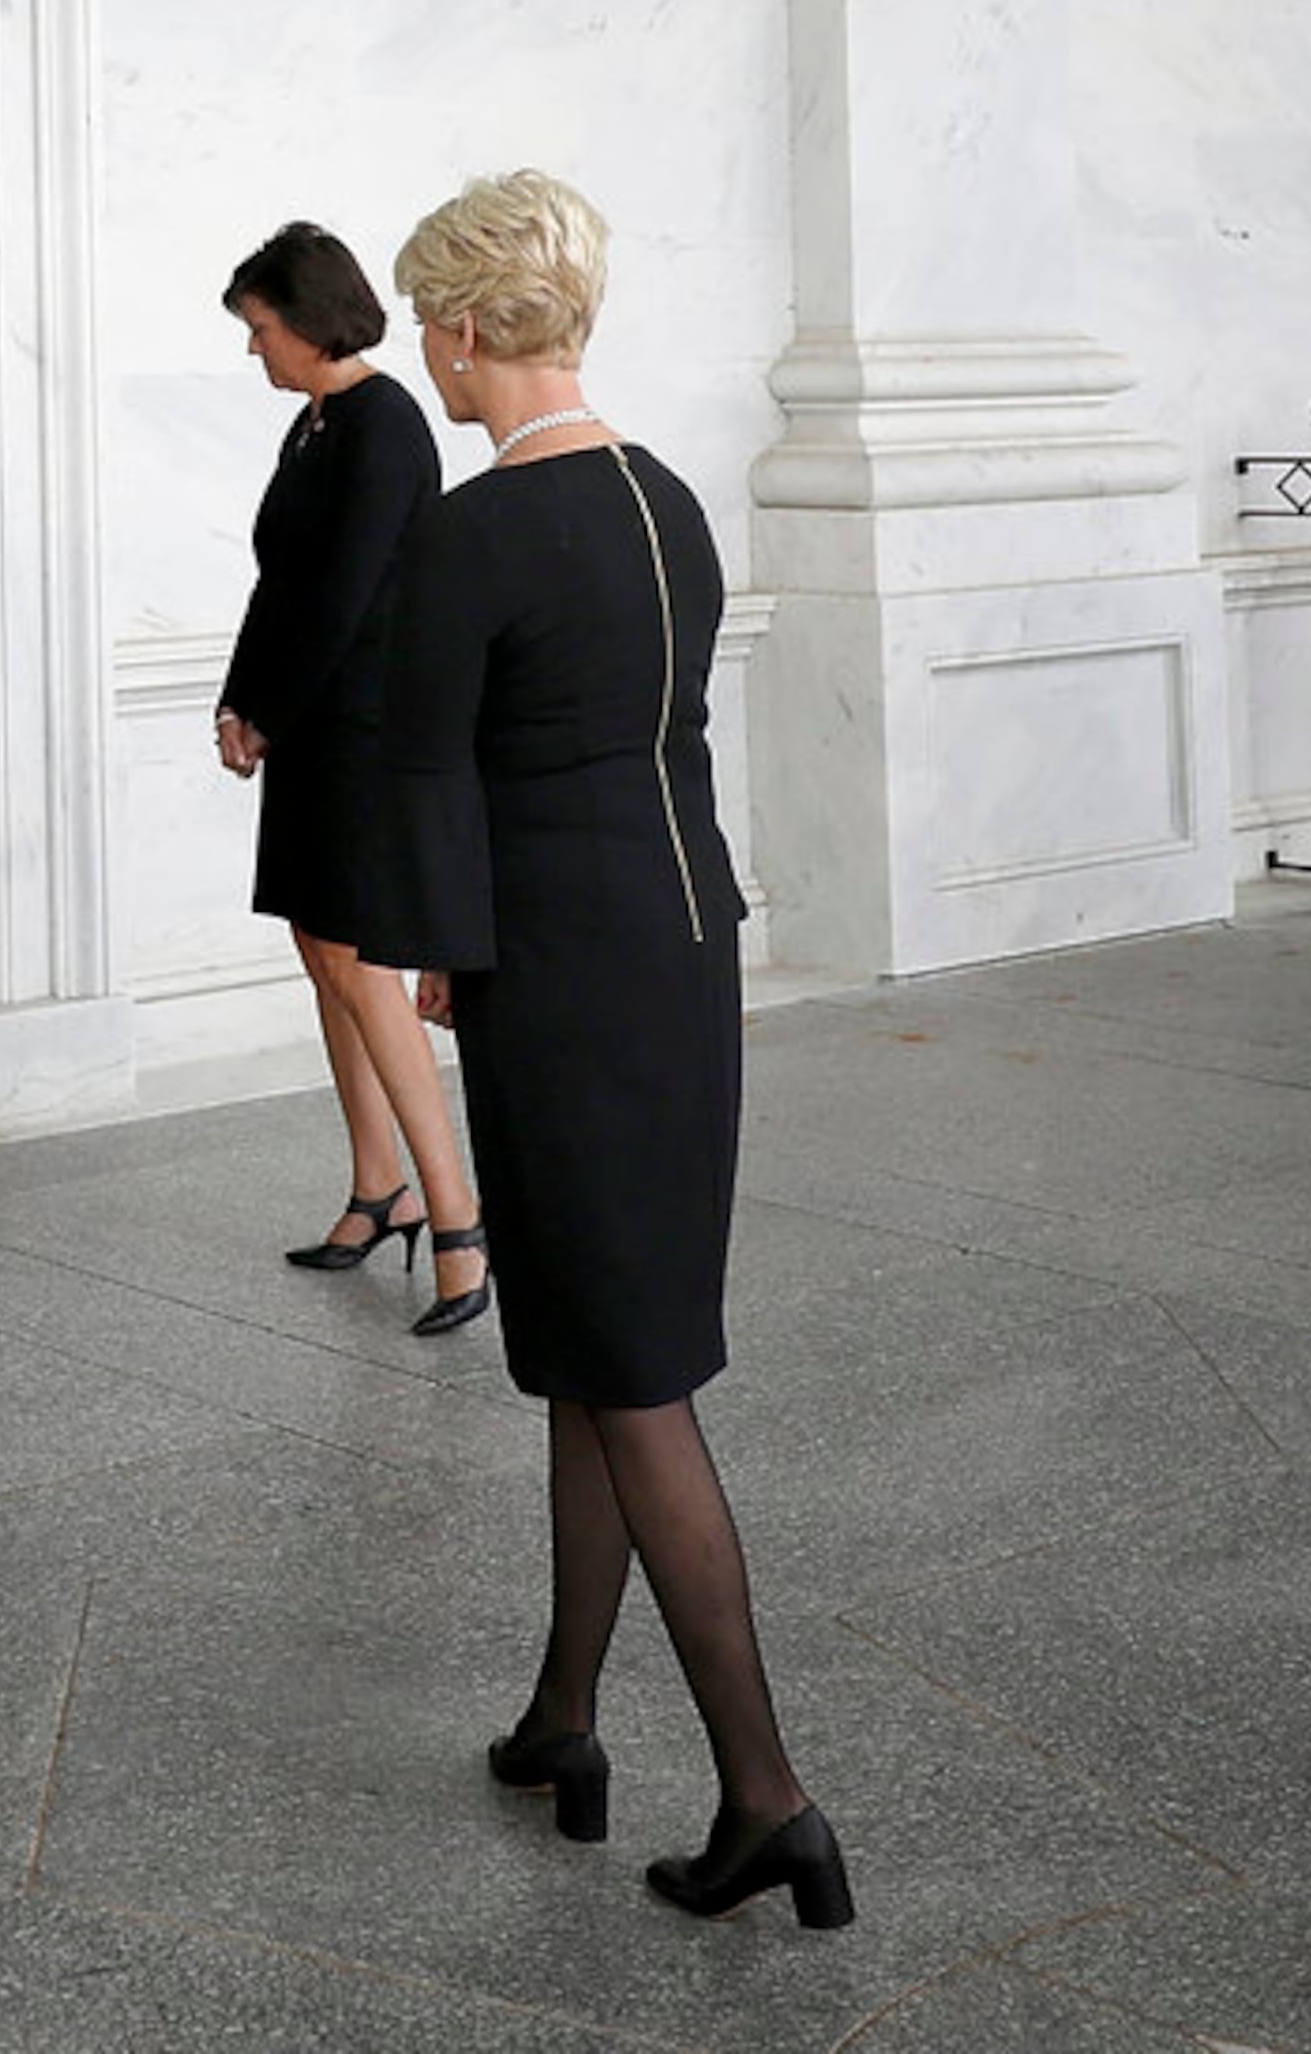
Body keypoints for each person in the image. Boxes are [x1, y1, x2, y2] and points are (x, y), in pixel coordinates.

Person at [361, 170, 849, 1929]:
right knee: (593, 1339)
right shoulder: (668, 497)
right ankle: (566, 1716)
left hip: (560, 974)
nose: (425, 343)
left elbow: (423, 766)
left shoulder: (473, 527)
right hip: (680, 947)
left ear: (475, 327)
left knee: (634, 1375)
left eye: (431, 315)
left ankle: (769, 1795)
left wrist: (428, 948)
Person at [212, 221, 485, 1336]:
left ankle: (462, 1226)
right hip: (312, 729)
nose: (254, 352)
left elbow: (349, 599)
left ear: (312, 322)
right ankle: (383, 1188)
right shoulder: (315, 425)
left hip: (366, 734)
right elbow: (280, 582)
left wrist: (270, 710)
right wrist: (239, 698)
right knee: (322, 954)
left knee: (363, 964)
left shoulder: (385, 427)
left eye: (262, 330)